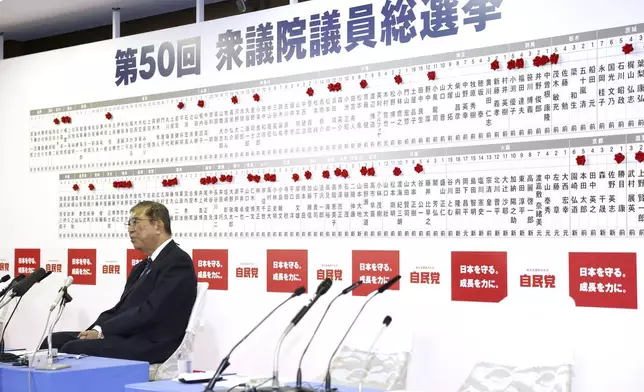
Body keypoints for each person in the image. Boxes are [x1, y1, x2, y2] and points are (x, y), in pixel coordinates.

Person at [42, 201, 197, 363]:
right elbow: (121, 309)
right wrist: (96, 328)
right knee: (53, 341)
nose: (130, 229)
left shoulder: (177, 262)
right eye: (129, 224)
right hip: (130, 336)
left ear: (158, 226)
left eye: (136, 223)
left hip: (154, 343)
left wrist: (103, 331)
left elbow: (150, 311)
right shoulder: (142, 266)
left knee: (73, 348)